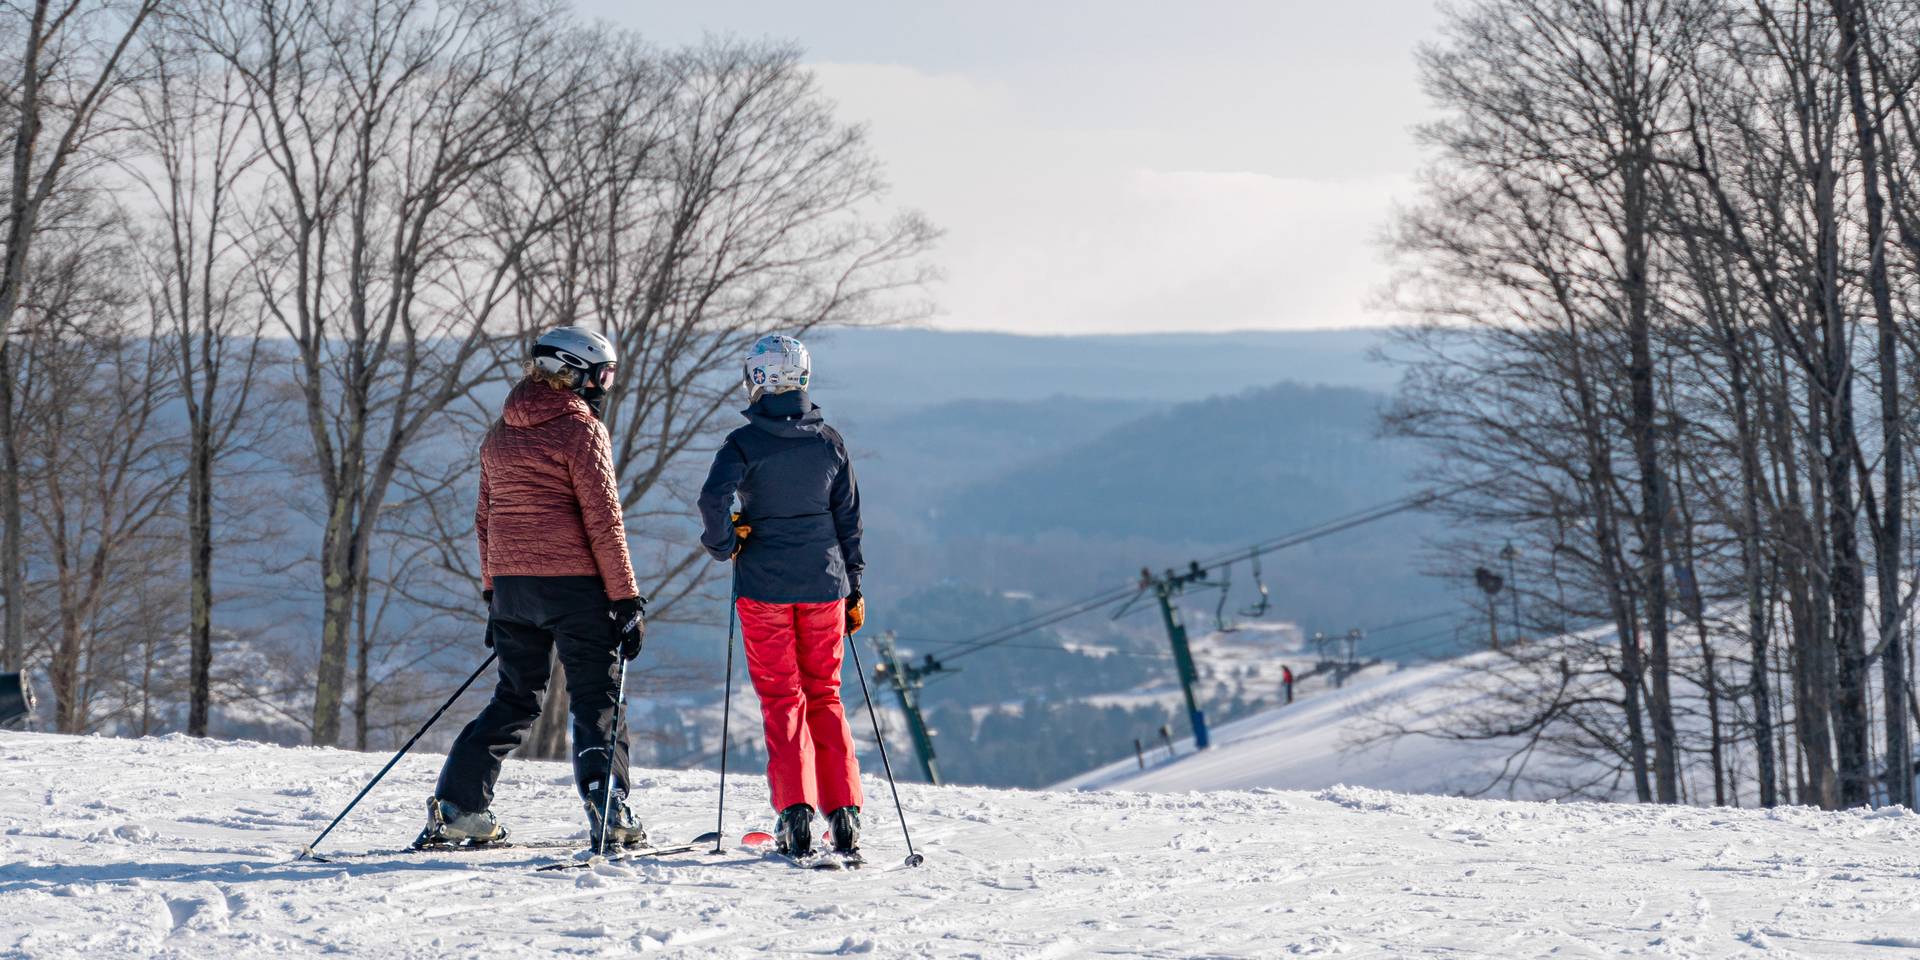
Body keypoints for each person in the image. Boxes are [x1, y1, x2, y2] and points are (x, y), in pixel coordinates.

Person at [417, 326, 648, 851]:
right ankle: (609, 810)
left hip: (514, 590)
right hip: (576, 588)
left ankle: (458, 808)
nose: (606, 386)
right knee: (596, 697)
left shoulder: (499, 432)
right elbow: (604, 523)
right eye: (603, 374)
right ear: (577, 371)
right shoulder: (580, 430)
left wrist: (493, 594)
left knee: (516, 697)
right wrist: (626, 598)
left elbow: (484, 520)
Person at [698, 334, 866, 858]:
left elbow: (712, 499)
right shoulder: (829, 442)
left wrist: (726, 543)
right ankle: (844, 816)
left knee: (782, 698)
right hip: (825, 585)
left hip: (764, 587)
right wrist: (854, 587)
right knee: (826, 695)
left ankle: (795, 814)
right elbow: (849, 522)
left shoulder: (743, 444)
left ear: (757, 381)